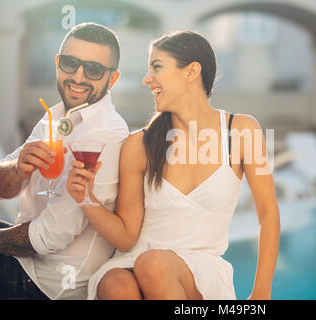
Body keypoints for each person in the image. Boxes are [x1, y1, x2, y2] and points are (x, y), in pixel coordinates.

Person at [67, 30, 280, 300]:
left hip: (199, 272)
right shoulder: (138, 145)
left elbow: (269, 215)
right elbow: (125, 238)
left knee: (153, 265)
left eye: (157, 67)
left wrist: (261, 293)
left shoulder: (243, 131)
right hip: (132, 261)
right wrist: (86, 198)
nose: (147, 80)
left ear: (191, 72)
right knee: (118, 285)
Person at [0, 22, 129, 299]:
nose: (78, 76)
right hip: (25, 262)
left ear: (112, 79)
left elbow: (48, 238)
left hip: (46, 285)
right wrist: (18, 169)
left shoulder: (106, 134)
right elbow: (2, 189)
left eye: (93, 69)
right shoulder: (55, 117)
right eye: (70, 63)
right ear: (58, 64)